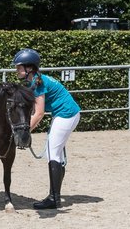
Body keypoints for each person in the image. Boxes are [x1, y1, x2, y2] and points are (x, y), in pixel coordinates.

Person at [13, 48, 81, 210]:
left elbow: (39, 113)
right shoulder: (35, 80)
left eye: (19, 67)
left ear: (29, 68)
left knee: (52, 153)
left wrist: (24, 132)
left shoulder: (38, 83)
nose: (16, 70)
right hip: (66, 113)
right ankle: (54, 195)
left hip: (66, 114)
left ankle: (53, 198)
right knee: (56, 154)